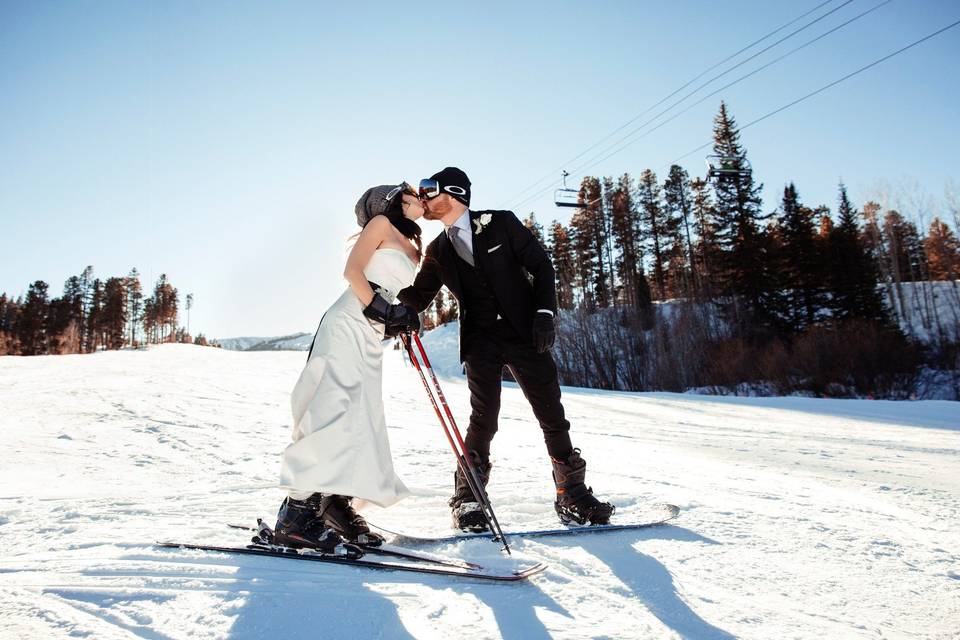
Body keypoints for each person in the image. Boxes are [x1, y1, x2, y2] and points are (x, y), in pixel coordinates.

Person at [398, 167, 614, 531]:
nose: (423, 200)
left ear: (454, 194)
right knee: (484, 418)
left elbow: (541, 265)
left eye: (429, 192)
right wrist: (389, 308)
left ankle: (571, 495)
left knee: (551, 413)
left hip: (525, 333)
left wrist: (545, 313)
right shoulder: (437, 251)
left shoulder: (500, 224)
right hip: (481, 340)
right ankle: (468, 499)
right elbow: (418, 296)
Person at [275, 183, 423, 550]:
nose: (421, 195)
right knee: (332, 409)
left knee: (361, 416)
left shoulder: (415, 246)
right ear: (393, 201)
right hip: (348, 320)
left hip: (371, 332)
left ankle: (334, 502)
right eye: (412, 192)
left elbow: (392, 290)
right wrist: (382, 308)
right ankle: (296, 513)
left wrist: (398, 316)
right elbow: (352, 272)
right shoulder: (380, 226)